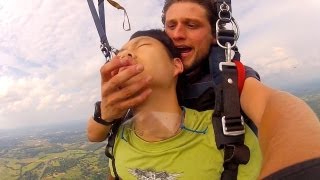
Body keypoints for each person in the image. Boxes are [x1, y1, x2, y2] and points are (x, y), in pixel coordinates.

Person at [87, 0, 320, 179]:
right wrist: (106, 113)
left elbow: (275, 108)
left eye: (192, 25)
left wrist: (300, 167)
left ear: (213, 36)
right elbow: (96, 134)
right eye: (171, 25)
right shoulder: (140, 88)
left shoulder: (226, 77)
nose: (177, 34)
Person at [96, 29, 262, 179]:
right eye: (120, 53)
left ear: (176, 65)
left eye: (143, 45)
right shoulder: (119, 135)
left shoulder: (228, 138)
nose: (125, 56)